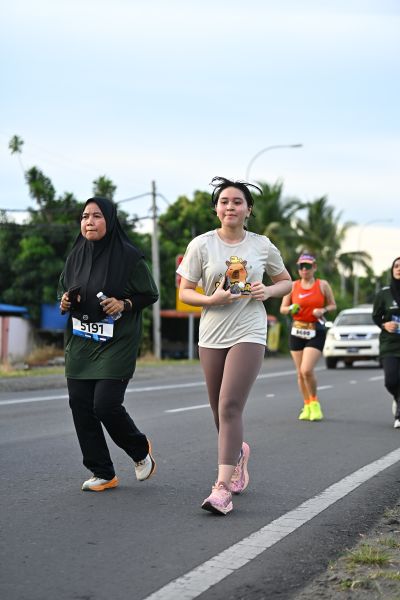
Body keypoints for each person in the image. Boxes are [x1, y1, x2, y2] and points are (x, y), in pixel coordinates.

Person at [177, 176, 292, 515]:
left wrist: (267, 291)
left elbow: (285, 282)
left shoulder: (262, 245)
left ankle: (221, 489)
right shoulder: (201, 245)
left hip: (249, 330)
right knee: (218, 410)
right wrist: (210, 299)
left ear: (248, 210)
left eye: (237, 201)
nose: (230, 206)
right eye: (224, 201)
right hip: (212, 333)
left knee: (229, 406)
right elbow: (185, 292)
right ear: (216, 209)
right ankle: (238, 454)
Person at [58, 197, 159, 492]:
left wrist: (123, 303)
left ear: (110, 221)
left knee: (105, 405)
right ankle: (102, 472)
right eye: (85, 216)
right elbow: (63, 289)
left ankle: (139, 450)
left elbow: (150, 294)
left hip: (116, 343)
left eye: (97, 216)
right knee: (81, 406)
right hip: (81, 341)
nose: (89, 221)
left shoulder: (130, 257)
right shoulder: (75, 255)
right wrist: (65, 301)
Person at [280, 253, 336, 422]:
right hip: (297, 330)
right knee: (300, 373)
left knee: (307, 370)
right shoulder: (292, 286)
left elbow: (332, 305)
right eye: (301, 267)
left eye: (308, 266)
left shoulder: (322, 285)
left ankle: (315, 403)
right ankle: (307, 405)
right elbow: (283, 308)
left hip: (315, 330)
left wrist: (323, 310)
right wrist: (291, 308)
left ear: (314, 267)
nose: (304, 269)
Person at [372, 256, 400, 428]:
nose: (399, 269)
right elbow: (376, 316)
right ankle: (397, 397)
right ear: (392, 270)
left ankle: (399, 415)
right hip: (389, 343)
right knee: (391, 380)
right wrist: (385, 324)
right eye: (396, 266)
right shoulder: (384, 293)